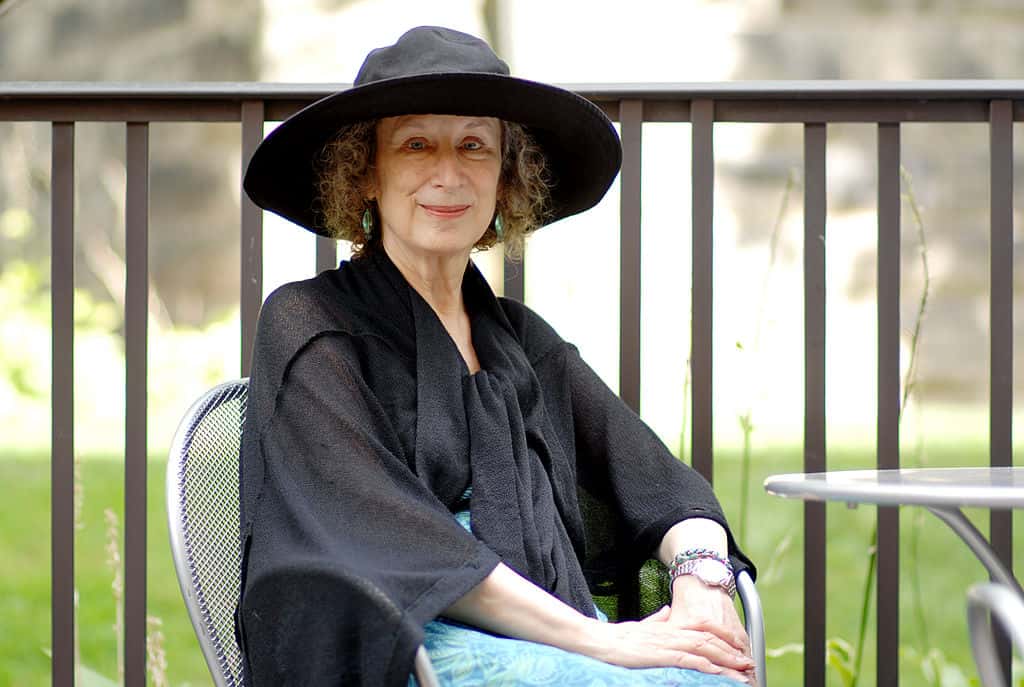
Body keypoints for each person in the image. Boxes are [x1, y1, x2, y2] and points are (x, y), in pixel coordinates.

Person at [238, 25, 756, 687]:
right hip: (395, 640)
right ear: (366, 171)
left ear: (505, 178)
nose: (448, 173)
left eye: (474, 146)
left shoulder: (519, 341)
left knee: (717, 671)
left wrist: (703, 583)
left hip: (542, 624)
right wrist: (606, 640)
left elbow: (656, 479)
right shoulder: (309, 323)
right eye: (416, 143)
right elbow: (399, 543)